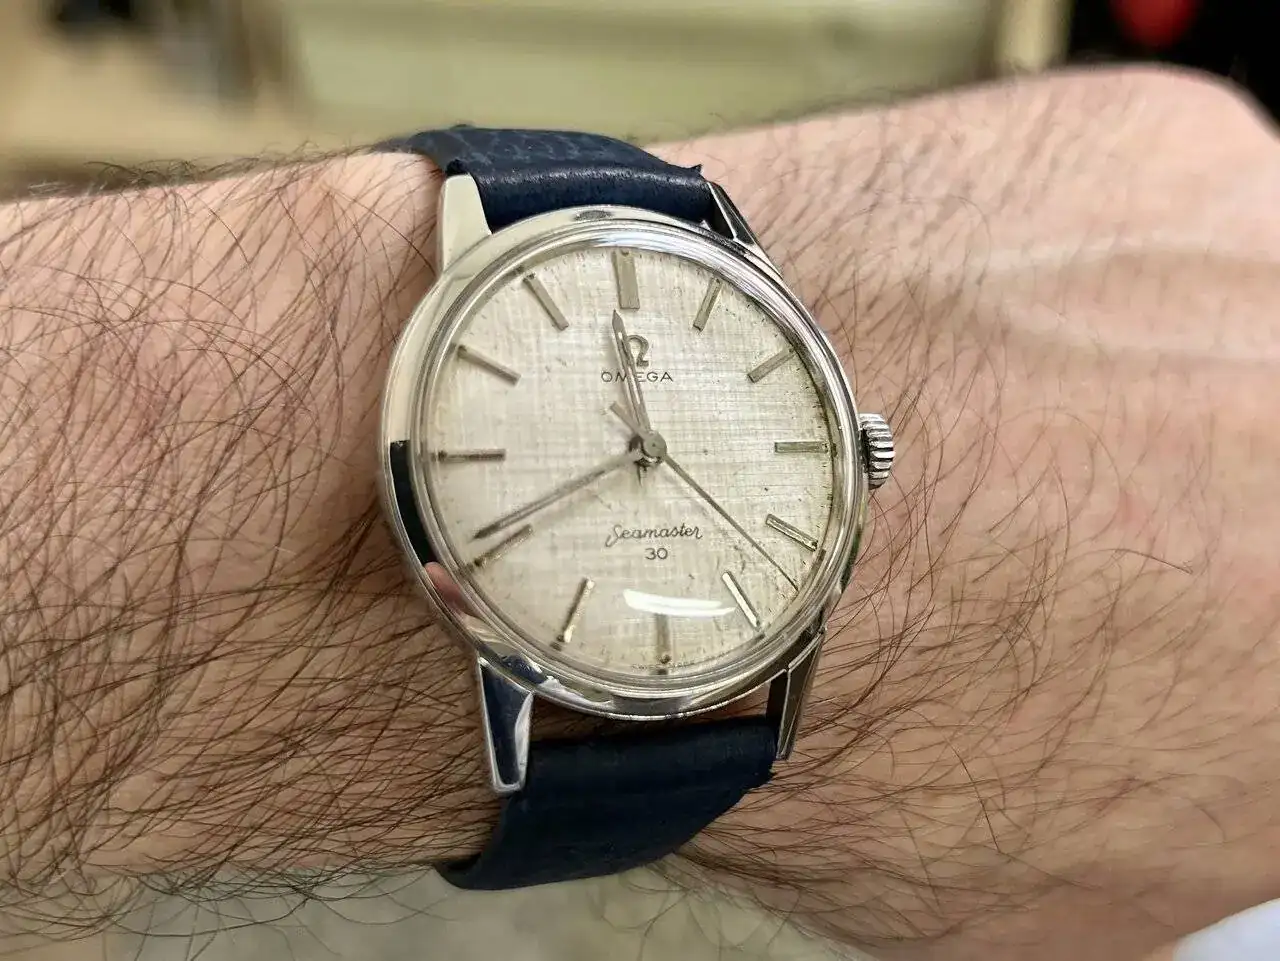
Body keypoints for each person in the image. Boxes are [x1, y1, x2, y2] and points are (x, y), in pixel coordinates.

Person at [2, 66, 1280, 961]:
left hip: (720, 621)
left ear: (861, 451)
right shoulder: (520, 262)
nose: (647, 449)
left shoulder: (806, 479)